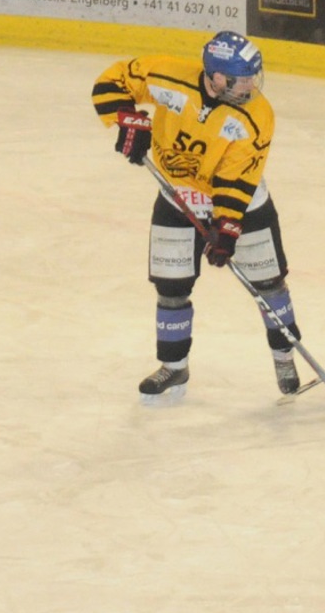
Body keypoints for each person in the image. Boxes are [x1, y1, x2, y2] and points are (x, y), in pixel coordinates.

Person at [92, 31, 303, 397]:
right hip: (177, 200)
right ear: (215, 76)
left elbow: (237, 178)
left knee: (269, 284)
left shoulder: (257, 115)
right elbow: (112, 80)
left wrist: (227, 227)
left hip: (244, 204)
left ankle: (284, 355)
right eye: (242, 79)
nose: (251, 85)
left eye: (255, 75)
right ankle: (174, 367)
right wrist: (128, 119)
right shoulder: (168, 77)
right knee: (171, 289)